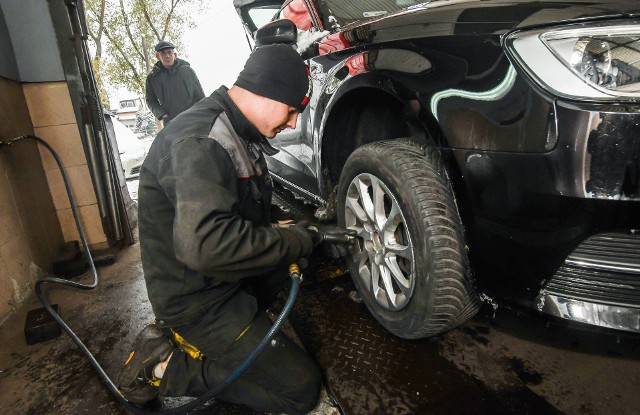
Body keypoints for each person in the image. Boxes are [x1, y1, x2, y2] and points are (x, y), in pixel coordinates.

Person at [117, 44, 321, 414]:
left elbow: (240, 204)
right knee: (300, 390)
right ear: (266, 91)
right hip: (200, 300)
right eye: (291, 109)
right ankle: (166, 367)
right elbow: (208, 245)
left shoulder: (234, 130)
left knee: (306, 256)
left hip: (218, 279)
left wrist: (290, 226)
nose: (293, 122)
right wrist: (292, 240)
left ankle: (217, 340)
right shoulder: (201, 141)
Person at [145, 40, 205, 126]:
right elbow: (150, 101)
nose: (167, 56)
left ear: (175, 55)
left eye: (170, 52)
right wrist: (162, 115)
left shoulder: (187, 71)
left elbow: (200, 95)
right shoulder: (153, 78)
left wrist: (203, 113)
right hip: (171, 122)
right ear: (158, 56)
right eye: (163, 53)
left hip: (193, 118)